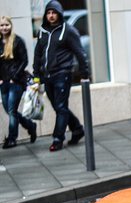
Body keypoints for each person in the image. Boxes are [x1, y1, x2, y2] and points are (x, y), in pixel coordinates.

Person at [33, 0, 89, 152]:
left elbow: (80, 53)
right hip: (48, 76)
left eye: (54, 13)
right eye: (49, 13)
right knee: (58, 107)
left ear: (59, 14)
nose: (51, 16)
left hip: (63, 73)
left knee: (61, 107)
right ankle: (77, 129)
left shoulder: (68, 31)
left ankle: (58, 138)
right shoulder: (43, 31)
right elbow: (38, 55)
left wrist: (84, 74)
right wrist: (36, 75)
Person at [0, 16, 37, 149]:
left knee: (11, 110)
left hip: (15, 81)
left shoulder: (18, 41)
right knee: (10, 110)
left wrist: (14, 77)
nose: (4, 28)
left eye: (6, 25)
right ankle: (30, 126)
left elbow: (24, 60)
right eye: (2, 25)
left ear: (11, 26)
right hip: (3, 82)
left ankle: (12, 138)